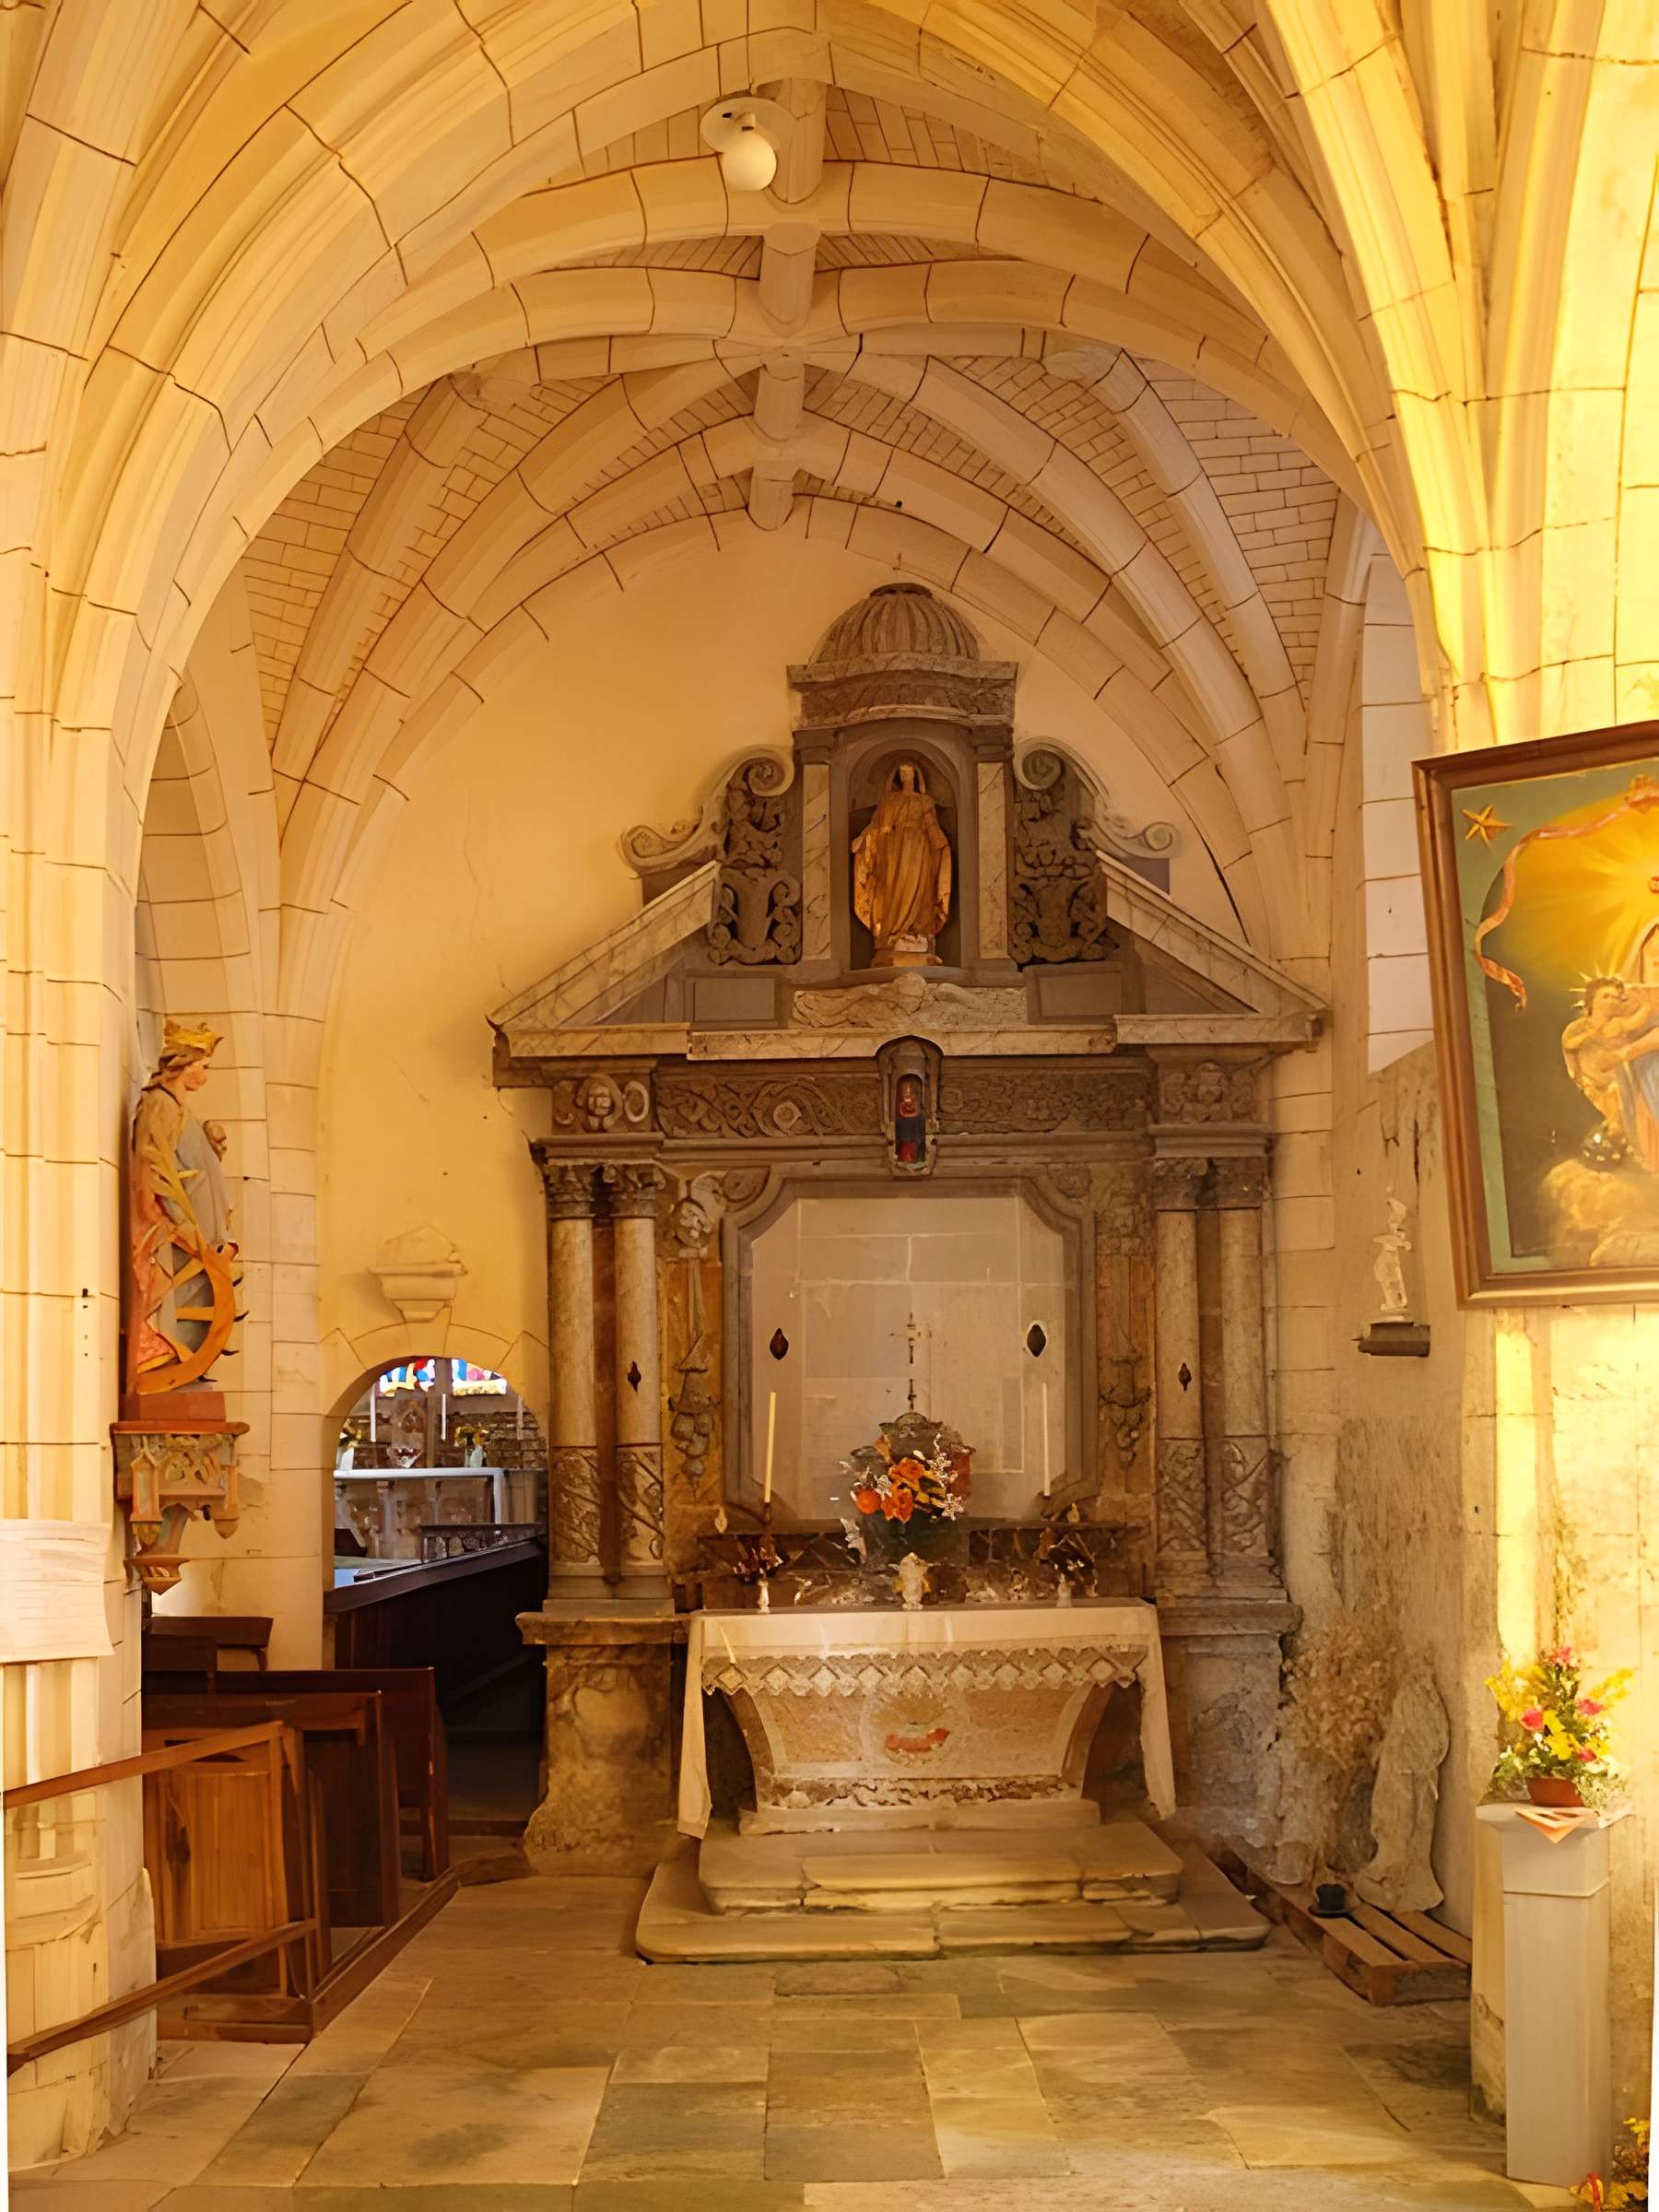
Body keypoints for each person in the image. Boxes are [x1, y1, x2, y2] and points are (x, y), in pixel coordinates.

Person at [853, 760, 952, 966]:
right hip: (894, 852)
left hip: (919, 849)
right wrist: (862, 838)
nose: (907, 777)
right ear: (898, 777)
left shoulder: (924, 801)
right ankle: (893, 931)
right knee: (892, 891)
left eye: (910, 774)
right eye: (902, 774)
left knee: (920, 890)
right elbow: (875, 824)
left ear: (916, 777)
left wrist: (943, 848)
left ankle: (917, 930)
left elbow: (933, 828)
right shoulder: (889, 801)